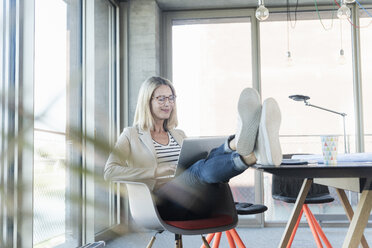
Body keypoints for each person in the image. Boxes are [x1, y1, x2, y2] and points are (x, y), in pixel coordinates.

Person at [104, 76, 282, 220]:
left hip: (196, 199)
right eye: (161, 98)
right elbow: (110, 172)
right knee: (198, 170)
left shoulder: (178, 134)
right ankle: (250, 153)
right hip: (160, 206)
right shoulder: (131, 135)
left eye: (171, 98)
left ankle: (238, 144)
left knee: (206, 161)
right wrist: (156, 171)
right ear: (147, 101)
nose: (168, 103)